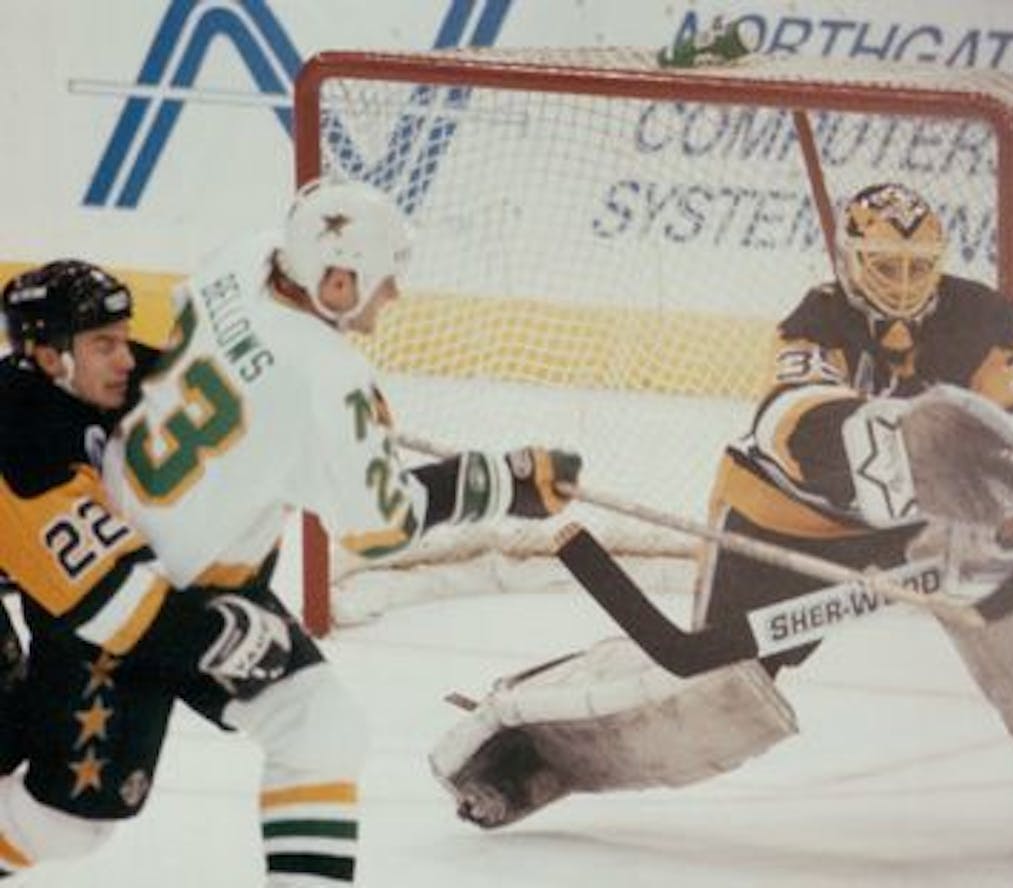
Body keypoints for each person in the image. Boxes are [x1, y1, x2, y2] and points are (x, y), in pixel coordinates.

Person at [429, 182, 1013, 843]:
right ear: (850, 260)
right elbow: (791, 420)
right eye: (884, 267)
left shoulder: (991, 319)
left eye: (917, 267)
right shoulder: (816, 318)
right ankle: (525, 744)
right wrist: (900, 456)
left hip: (915, 530)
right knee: (710, 689)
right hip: (778, 522)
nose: (901, 284)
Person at [0, 180, 580, 884]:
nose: (392, 295)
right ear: (336, 281)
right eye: (382, 278)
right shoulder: (331, 379)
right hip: (130, 600)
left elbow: (211, 350)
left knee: (321, 727)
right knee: (65, 825)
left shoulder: (239, 266)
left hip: (177, 563)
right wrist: (495, 482)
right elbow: (377, 527)